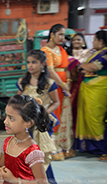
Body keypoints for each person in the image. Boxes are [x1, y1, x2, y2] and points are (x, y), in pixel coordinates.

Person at [16, 50, 60, 184]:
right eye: (28, 62)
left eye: (34, 62)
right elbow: (18, 101)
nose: (30, 65)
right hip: (27, 123)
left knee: (41, 154)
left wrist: (44, 112)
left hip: (43, 123)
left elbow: (56, 102)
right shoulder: (23, 82)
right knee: (29, 155)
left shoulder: (49, 84)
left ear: (42, 65)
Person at [0, 95, 49, 184]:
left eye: (11, 118)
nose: (5, 121)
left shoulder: (33, 152)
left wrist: (14, 180)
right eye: (6, 116)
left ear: (28, 123)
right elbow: (0, 166)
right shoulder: (7, 143)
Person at [41, 24, 74, 161]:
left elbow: (66, 69)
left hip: (64, 86)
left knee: (63, 113)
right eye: (60, 34)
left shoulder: (62, 49)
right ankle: (52, 146)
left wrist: (68, 83)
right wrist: (62, 85)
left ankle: (63, 144)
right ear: (52, 34)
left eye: (63, 35)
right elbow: (50, 70)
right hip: (53, 87)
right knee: (54, 112)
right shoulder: (45, 50)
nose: (62, 38)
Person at [74, 30, 107, 161]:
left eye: (94, 40)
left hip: (99, 89)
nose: (93, 42)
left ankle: (103, 149)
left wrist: (80, 65)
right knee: (88, 117)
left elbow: (94, 67)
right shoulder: (97, 52)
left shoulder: (105, 53)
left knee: (96, 118)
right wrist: (83, 67)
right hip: (90, 88)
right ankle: (92, 148)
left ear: (101, 41)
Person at [66, 33, 92, 135]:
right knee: (69, 105)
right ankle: (69, 130)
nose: (76, 42)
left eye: (79, 40)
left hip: (83, 82)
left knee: (80, 105)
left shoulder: (88, 53)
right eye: (74, 40)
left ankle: (79, 129)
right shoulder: (67, 53)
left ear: (84, 42)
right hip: (70, 82)